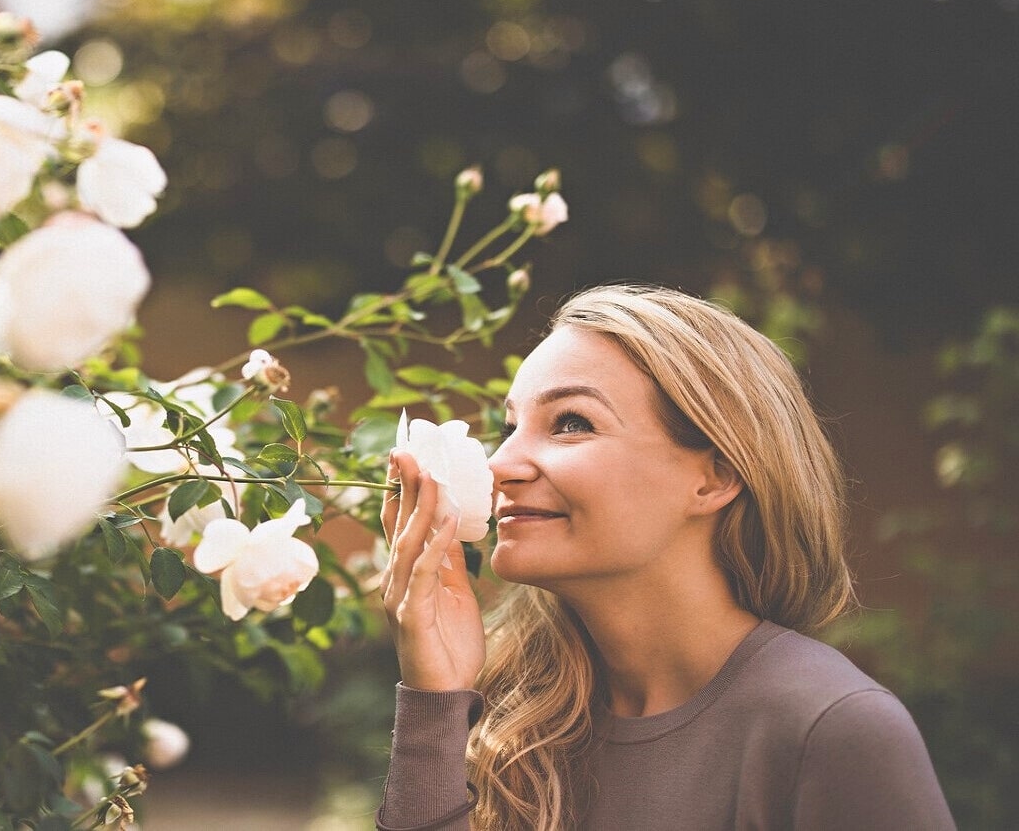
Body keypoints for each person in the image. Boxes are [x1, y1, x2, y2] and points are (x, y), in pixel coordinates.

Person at [376, 284, 954, 830]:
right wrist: (434, 700)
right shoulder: (518, 716)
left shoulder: (834, 730)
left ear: (715, 478)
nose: (500, 464)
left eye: (571, 423)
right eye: (510, 427)